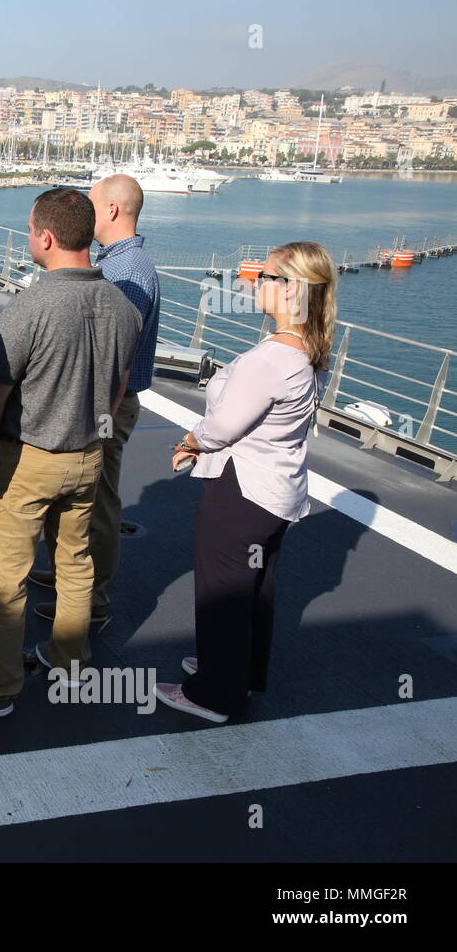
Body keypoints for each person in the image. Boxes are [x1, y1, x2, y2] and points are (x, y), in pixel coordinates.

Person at [0, 188, 141, 717]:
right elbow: (118, 390)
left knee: (7, 576)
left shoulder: (31, 305)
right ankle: (69, 660)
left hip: (30, 457)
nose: (30, 238)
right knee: (75, 561)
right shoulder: (122, 304)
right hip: (89, 456)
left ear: (45, 237)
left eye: (31, 230)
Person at [156, 242, 336, 723]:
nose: (254, 282)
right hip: (278, 488)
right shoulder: (309, 349)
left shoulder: (268, 359)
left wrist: (189, 441)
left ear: (291, 288)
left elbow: (224, 428)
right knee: (256, 587)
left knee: (223, 590)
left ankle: (214, 695)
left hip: (241, 490)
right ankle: (239, 669)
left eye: (267, 275)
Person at [30, 174, 160, 633]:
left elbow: (113, 352)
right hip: (99, 402)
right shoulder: (121, 264)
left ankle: (92, 601)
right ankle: (70, 579)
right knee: (80, 499)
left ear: (110, 211)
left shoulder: (129, 272)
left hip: (105, 405)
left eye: (91, 203)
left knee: (98, 504)